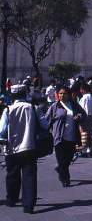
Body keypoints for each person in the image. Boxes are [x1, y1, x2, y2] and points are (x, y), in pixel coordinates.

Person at [1, 84, 48, 214]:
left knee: (12, 175)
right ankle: (28, 205)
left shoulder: (8, 110)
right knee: (30, 176)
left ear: (13, 95)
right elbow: (45, 125)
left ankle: (11, 199)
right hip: (30, 147)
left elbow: (2, 131)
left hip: (11, 149)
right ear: (25, 94)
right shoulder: (34, 108)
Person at [47, 86, 87, 187]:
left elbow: (83, 114)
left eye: (64, 93)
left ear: (69, 95)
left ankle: (60, 169)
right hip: (59, 138)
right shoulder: (54, 106)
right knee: (61, 159)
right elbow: (47, 120)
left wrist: (79, 116)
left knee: (68, 159)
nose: (62, 95)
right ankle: (65, 179)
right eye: (60, 93)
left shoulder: (74, 104)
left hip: (72, 137)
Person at [78, 84, 92, 156]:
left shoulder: (86, 97)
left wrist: (84, 117)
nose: (80, 91)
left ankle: (86, 148)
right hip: (86, 116)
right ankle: (87, 148)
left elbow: (86, 109)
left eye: (81, 89)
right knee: (87, 133)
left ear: (84, 89)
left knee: (85, 133)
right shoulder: (87, 96)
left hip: (85, 117)